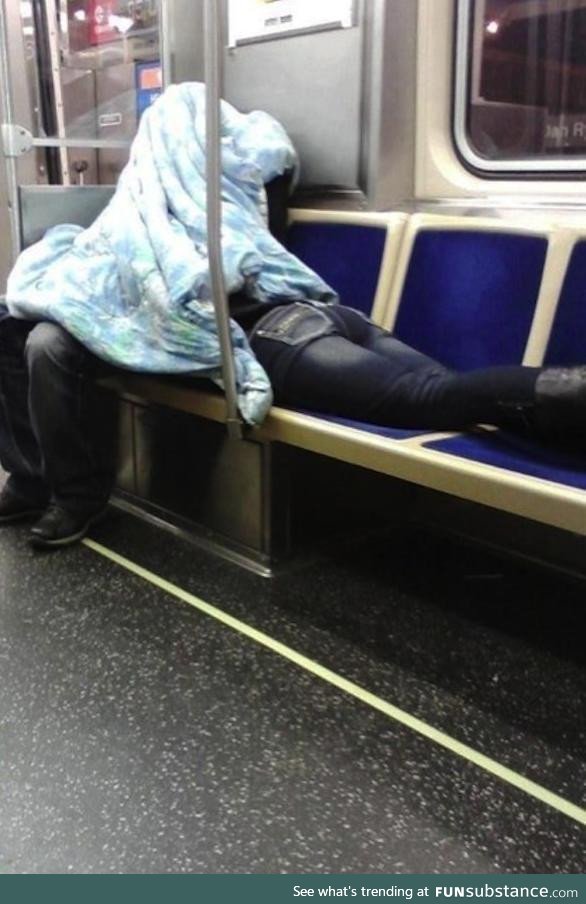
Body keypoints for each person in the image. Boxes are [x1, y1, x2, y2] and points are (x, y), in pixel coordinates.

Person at [1, 173, 585, 550]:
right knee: (450, 392)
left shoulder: (124, 275)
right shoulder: (224, 219)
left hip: (284, 338)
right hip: (334, 314)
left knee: (435, 398)